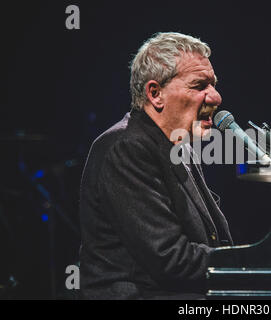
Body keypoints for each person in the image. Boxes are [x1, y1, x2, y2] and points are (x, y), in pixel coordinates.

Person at [79, 32, 233, 300]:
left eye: (214, 84)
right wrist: (246, 264)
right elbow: (170, 258)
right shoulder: (126, 147)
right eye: (199, 86)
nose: (216, 97)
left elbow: (209, 238)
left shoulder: (178, 145)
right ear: (155, 93)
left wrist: (249, 259)